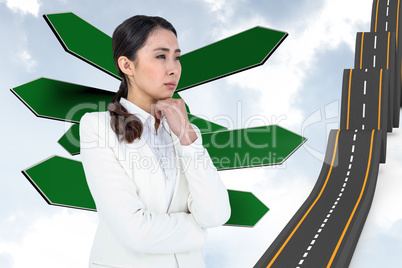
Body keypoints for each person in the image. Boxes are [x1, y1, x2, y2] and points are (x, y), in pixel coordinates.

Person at [79, 15, 231, 268]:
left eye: (177, 57)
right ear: (127, 65)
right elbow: (135, 233)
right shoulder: (97, 127)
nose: (173, 68)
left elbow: (216, 214)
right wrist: (198, 233)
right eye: (161, 56)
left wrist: (187, 139)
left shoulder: (185, 132)